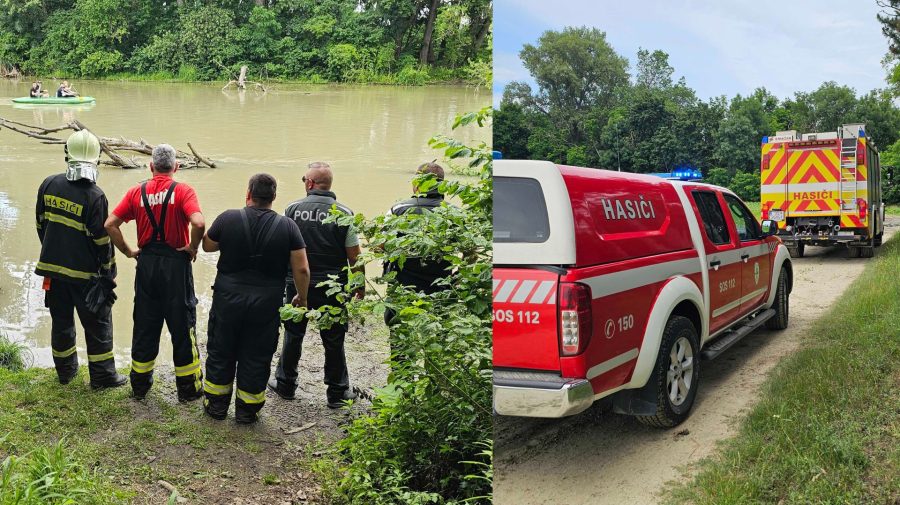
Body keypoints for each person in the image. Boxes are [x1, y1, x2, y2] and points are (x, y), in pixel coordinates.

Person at [201, 174, 310, 424]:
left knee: (221, 349)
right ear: (273, 197)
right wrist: (302, 298)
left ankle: (217, 405)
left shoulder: (228, 217)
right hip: (266, 302)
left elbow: (207, 246)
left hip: (228, 298)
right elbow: (302, 269)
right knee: (257, 353)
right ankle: (247, 410)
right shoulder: (288, 226)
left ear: (248, 193)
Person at [104, 145, 205, 402]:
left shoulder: (136, 191)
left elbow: (110, 224)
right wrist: (193, 247)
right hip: (175, 265)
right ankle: (188, 389)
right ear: (176, 167)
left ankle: (139, 386)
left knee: (145, 323)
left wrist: (128, 251)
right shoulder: (183, 191)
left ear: (151, 167)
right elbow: (199, 223)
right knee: (182, 324)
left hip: (146, 264)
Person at [34, 130, 127, 389]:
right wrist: (109, 273)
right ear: (96, 160)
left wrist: (54, 252)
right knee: (98, 325)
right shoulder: (95, 196)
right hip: (86, 277)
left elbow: (41, 225)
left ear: (67, 155)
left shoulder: (48, 184)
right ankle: (103, 377)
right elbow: (102, 241)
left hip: (53, 271)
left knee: (61, 323)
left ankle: (66, 373)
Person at [268, 162, 363, 408]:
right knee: (333, 338)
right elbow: (354, 256)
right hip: (333, 287)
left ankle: (286, 384)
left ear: (310, 184)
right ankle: (338, 392)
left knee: (293, 333)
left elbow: (281, 248)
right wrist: (359, 284)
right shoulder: (344, 213)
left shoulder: (292, 209)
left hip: (297, 284)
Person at [383, 162, 454, 327]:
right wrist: (457, 278)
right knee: (437, 334)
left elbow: (380, 246)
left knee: (400, 333)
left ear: (417, 184)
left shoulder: (398, 210)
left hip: (402, 284)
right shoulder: (454, 213)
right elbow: (470, 253)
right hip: (440, 286)